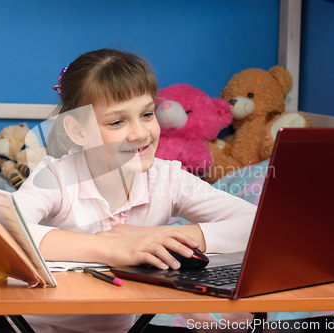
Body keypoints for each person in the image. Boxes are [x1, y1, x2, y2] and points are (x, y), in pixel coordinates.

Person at [13, 48, 257, 333]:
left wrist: (164, 237)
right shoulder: (55, 176)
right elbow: (3, 231)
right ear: (78, 132)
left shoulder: (166, 178)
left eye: (146, 114)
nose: (140, 133)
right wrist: (109, 247)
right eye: (117, 122)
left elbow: (258, 224)